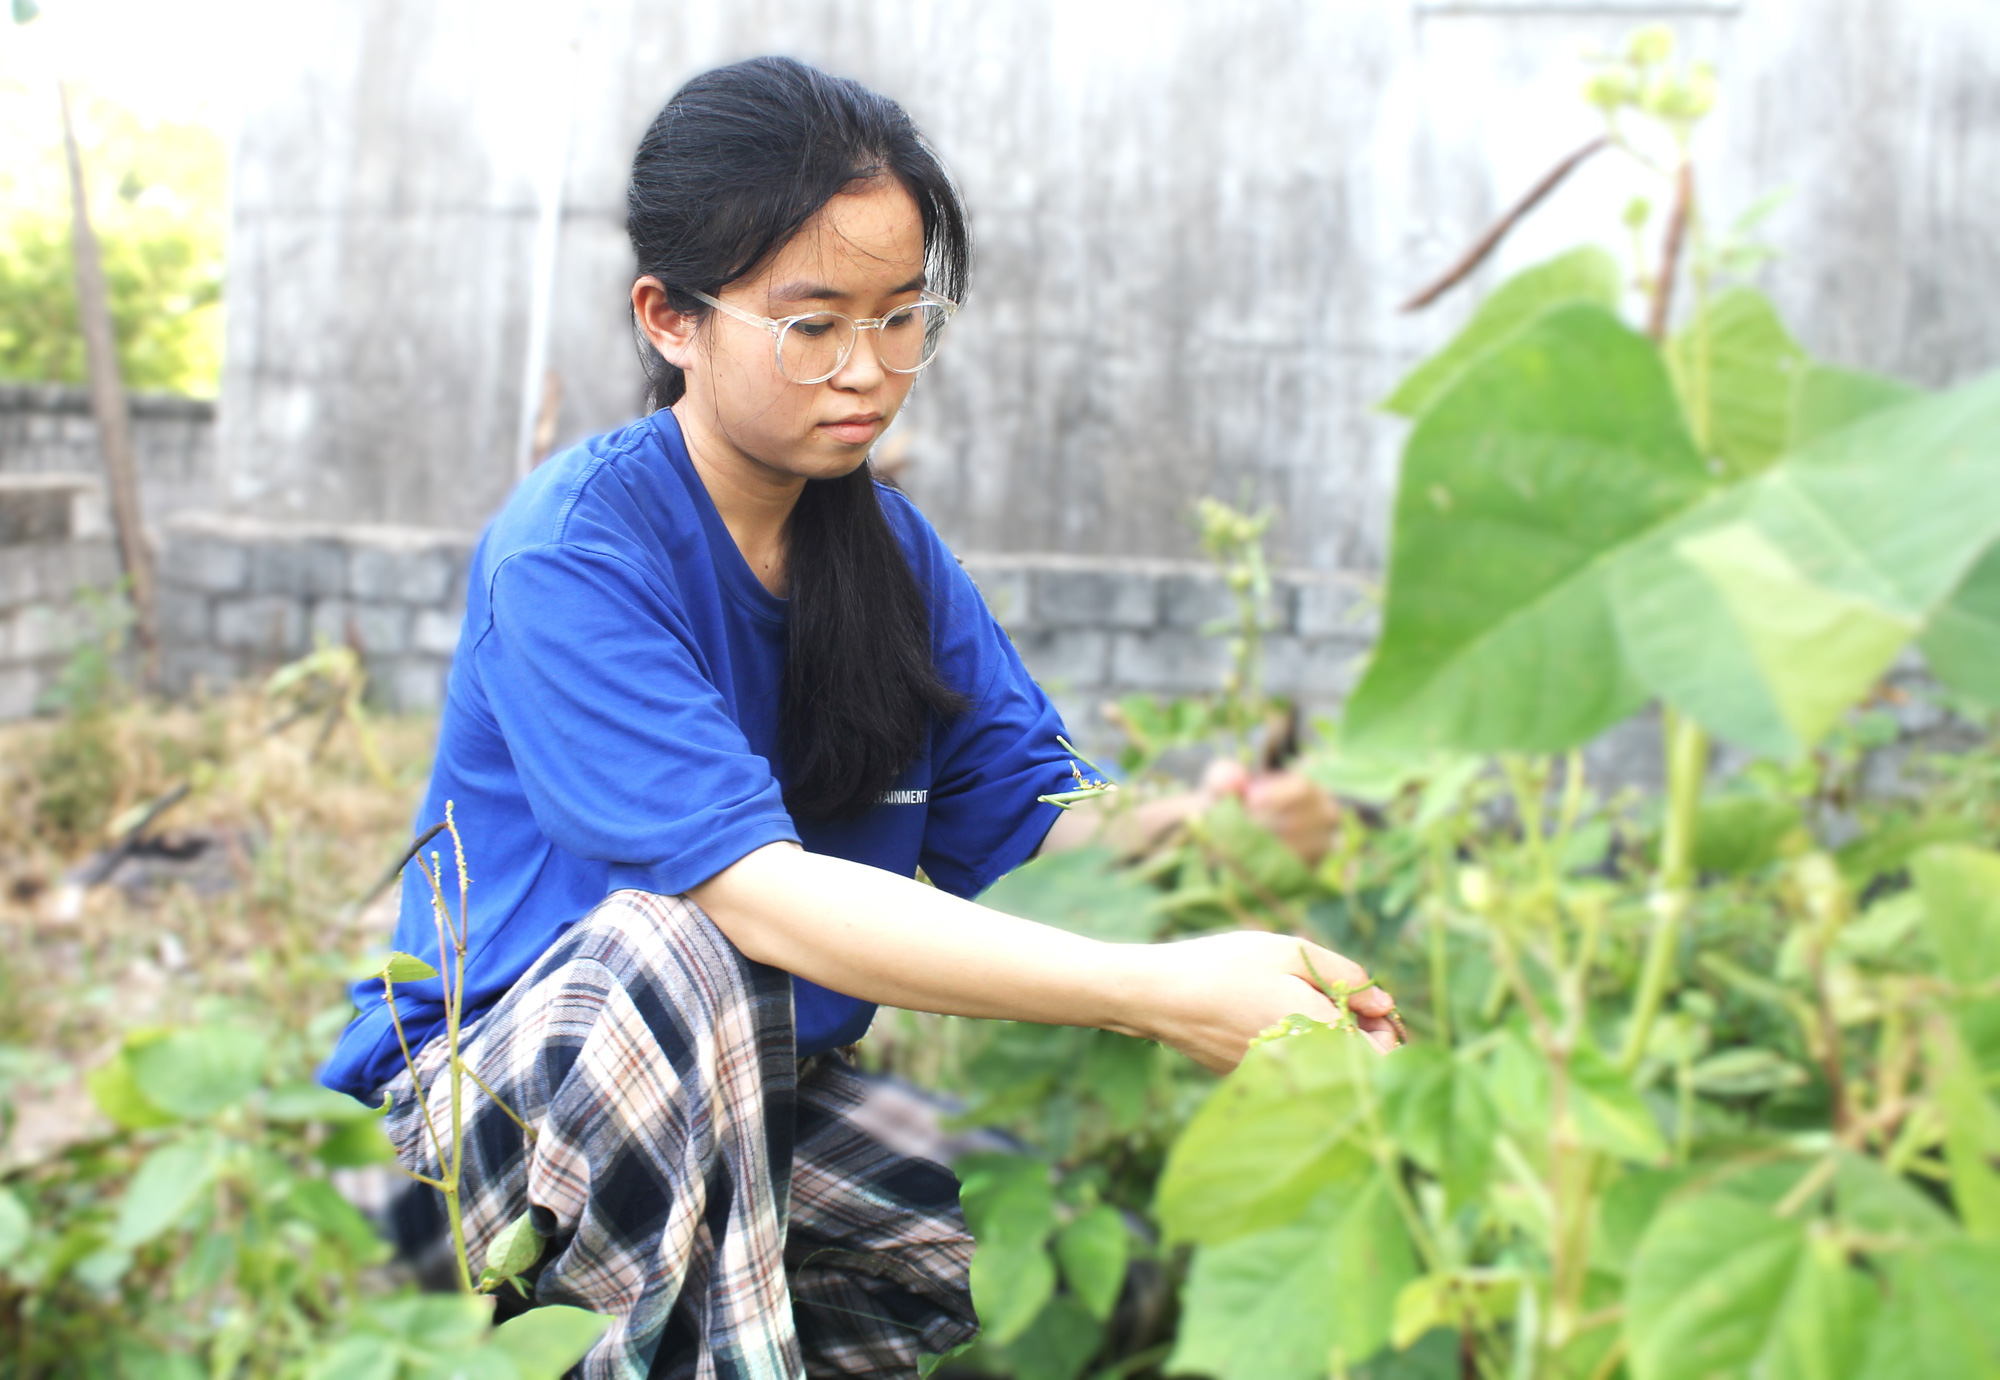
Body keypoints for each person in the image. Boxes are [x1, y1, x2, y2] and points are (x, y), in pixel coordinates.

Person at [322, 55, 1397, 1379]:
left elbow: (1038, 829)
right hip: (478, 1134)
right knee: (672, 952)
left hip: (750, 1103)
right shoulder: (579, 551)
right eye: (812, 323)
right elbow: (752, 897)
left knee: (996, 1228)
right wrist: (1151, 989)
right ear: (671, 319)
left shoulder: (885, 553)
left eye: (901, 318)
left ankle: (701, 1335)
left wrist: (1219, 834)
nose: (868, 372)